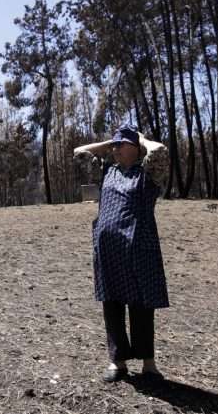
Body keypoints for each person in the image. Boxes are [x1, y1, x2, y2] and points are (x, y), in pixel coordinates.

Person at [74, 125, 170, 383]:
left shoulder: (147, 174)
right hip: (108, 250)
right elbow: (80, 152)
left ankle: (149, 365)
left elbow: (159, 151)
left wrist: (141, 139)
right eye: (114, 145)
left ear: (135, 148)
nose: (115, 148)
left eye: (121, 144)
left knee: (141, 304)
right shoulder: (107, 172)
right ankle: (117, 362)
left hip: (139, 249)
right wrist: (109, 143)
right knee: (112, 304)